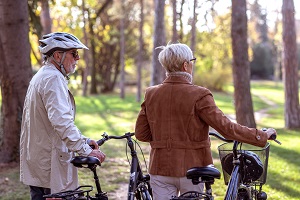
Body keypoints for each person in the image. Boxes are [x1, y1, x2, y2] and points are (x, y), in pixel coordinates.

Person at [134, 43, 277, 200]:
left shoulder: (151, 94)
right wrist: (261, 135)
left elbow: (141, 134)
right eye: (192, 61)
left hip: (160, 168)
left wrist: (164, 139)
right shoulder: (199, 95)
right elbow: (227, 128)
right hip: (192, 169)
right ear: (185, 65)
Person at [20, 32, 106, 200]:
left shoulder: (42, 75)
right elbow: (62, 122)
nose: (78, 58)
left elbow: (50, 121)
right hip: (49, 166)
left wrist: (84, 139)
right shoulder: (53, 79)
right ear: (58, 55)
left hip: (40, 163)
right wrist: (86, 150)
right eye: (74, 53)